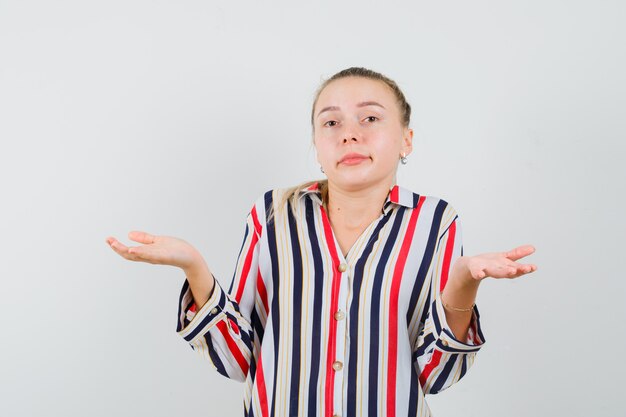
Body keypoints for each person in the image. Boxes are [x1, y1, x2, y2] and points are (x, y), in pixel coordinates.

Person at [106, 67, 537, 417]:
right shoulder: (272, 215)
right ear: (317, 144)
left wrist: (463, 283)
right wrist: (194, 266)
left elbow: (436, 375)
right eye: (331, 122)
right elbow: (237, 360)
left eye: (370, 118)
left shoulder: (435, 222)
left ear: (406, 138)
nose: (349, 134)